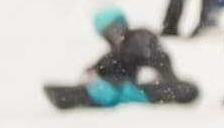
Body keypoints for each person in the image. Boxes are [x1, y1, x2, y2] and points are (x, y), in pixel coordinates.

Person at [60, 7, 197, 107]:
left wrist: (168, 80)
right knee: (116, 83)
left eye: (111, 31)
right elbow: (111, 61)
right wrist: (96, 68)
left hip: (153, 87)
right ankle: (94, 93)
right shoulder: (121, 49)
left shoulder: (139, 37)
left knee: (186, 90)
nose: (112, 36)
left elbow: (158, 59)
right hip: (134, 86)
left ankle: (93, 95)